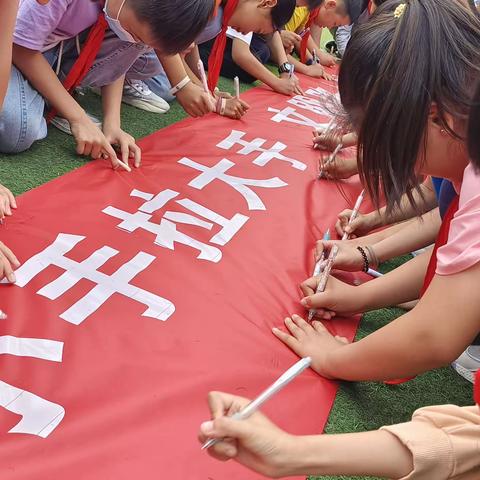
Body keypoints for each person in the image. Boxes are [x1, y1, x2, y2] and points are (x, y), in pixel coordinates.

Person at [269, 0, 480, 385]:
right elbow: (457, 256)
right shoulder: (464, 139)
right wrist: (356, 294)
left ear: (437, 117)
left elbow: (434, 335)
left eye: (387, 138)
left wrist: (337, 359)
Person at [0, 0, 214, 170]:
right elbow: (19, 47)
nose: (137, 43)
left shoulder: (126, 14)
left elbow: (119, 52)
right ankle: (49, 99)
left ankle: (49, 96)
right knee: (18, 132)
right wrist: (78, 117)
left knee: (137, 46)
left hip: (53, 51)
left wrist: (112, 123)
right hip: (19, 48)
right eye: (137, 34)